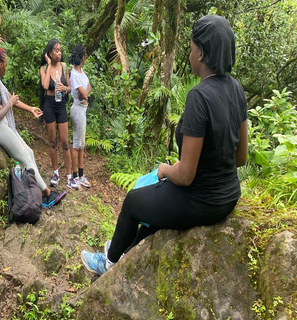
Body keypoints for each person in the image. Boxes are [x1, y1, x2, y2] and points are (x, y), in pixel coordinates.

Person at [81, 15, 248, 275]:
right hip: (228, 197)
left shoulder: (199, 97)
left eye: (191, 48)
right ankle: (126, 258)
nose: (190, 53)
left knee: (134, 202)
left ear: (201, 54)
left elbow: (185, 175)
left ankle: (109, 262)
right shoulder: (237, 90)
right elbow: (240, 158)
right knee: (153, 218)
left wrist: (164, 169)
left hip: (202, 200)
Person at [0, 42, 66, 206]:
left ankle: (36, 190)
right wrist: (8, 104)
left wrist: (30, 108)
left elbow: (12, 99)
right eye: (5, 65)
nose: (6, 68)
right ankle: (47, 195)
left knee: (30, 152)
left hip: (2, 124)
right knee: (25, 157)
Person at [39, 39, 80, 190]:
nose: (60, 53)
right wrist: (49, 64)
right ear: (49, 53)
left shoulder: (64, 67)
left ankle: (69, 177)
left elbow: (70, 87)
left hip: (61, 105)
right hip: (49, 104)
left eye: (60, 50)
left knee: (64, 142)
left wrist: (65, 89)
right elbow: (45, 85)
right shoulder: (44, 68)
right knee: (52, 141)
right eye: (56, 50)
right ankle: (56, 173)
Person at [69, 44, 92, 188]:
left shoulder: (81, 72)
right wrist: (86, 91)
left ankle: (81, 175)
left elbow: (88, 87)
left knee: (82, 144)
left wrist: (86, 91)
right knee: (76, 144)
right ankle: (75, 175)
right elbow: (83, 94)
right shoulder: (74, 74)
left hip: (83, 110)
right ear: (82, 57)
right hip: (77, 109)